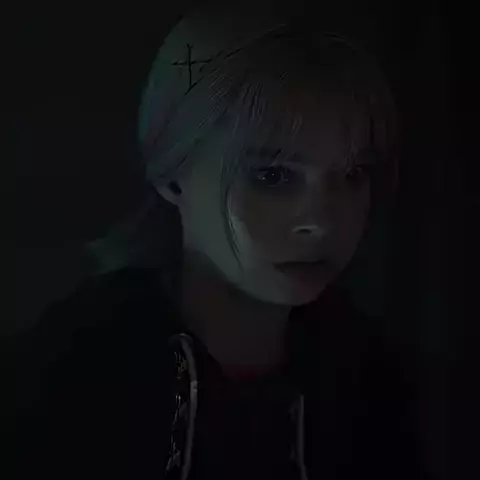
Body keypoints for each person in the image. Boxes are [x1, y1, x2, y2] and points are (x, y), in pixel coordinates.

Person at [12, 2, 433, 479]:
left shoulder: (367, 380)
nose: (321, 220)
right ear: (173, 173)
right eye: (273, 176)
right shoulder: (70, 375)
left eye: (353, 174)